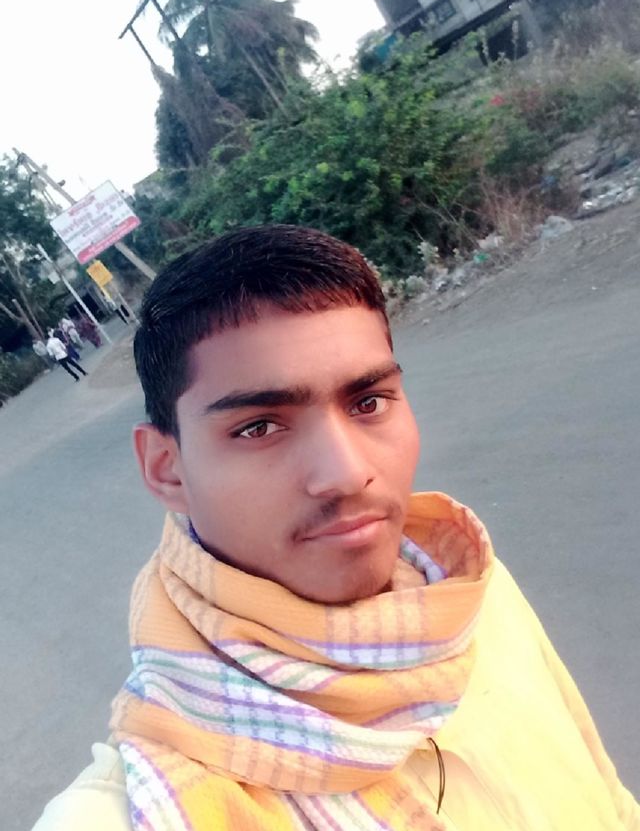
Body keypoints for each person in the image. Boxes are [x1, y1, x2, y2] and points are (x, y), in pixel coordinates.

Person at [33, 226, 638, 830]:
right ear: (167, 470)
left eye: (369, 402)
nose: (347, 474)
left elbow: (606, 794)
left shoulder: (469, 592)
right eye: (258, 427)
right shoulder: (130, 811)